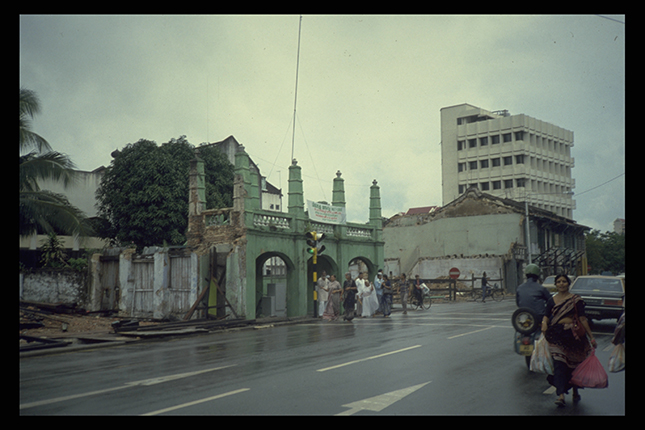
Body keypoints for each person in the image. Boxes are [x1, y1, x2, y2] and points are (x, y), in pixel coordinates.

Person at [541, 274, 596, 407]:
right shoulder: (551, 300)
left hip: (573, 337)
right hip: (556, 336)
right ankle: (560, 395)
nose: (561, 284)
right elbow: (546, 316)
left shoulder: (576, 300)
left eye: (564, 281)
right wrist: (544, 323)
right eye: (558, 282)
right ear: (555, 284)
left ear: (568, 283)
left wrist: (591, 336)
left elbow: (583, 319)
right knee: (559, 365)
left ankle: (575, 390)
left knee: (573, 365)